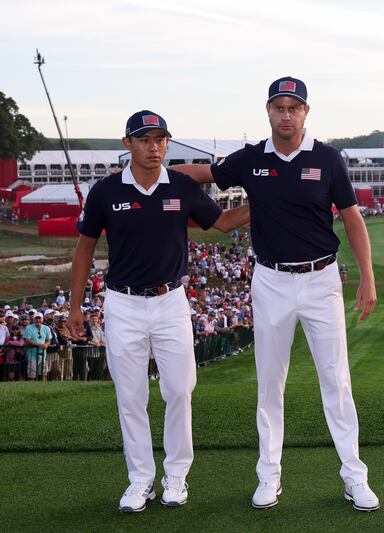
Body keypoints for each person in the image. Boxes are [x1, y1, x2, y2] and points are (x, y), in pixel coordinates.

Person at [173, 76, 379, 512]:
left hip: (321, 280)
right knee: (270, 384)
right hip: (269, 280)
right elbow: (204, 174)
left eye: (294, 107)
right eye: (278, 107)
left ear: (306, 112)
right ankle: (269, 474)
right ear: (268, 111)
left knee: (337, 381)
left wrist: (367, 277)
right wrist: (151, 173)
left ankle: (354, 475)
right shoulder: (250, 159)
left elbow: (353, 217)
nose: (286, 115)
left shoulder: (327, 158)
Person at [68, 110, 250, 513]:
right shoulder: (106, 191)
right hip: (123, 303)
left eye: (161, 139)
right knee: (130, 397)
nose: (154, 147)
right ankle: (139, 480)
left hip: (171, 302)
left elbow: (220, 222)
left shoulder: (181, 186)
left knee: (179, 391)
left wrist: (269, 201)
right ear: (127, 144)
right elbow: (83, 249)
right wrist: (76, 307)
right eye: (145, 139)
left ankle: (176, 475)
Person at [23, 312, 52, 380]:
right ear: (33, 319)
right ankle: (32, 389)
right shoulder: (29, 328)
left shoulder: (47, 328)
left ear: (42, 319)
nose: (38, 320)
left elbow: (49, 340)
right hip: (31, 354)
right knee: (32, 375)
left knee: (44, 373)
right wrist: (39, 345)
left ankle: (44, 389)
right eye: (36, 318)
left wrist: (46, 344)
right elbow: (27, 340)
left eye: (39, 318)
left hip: (42, 354)